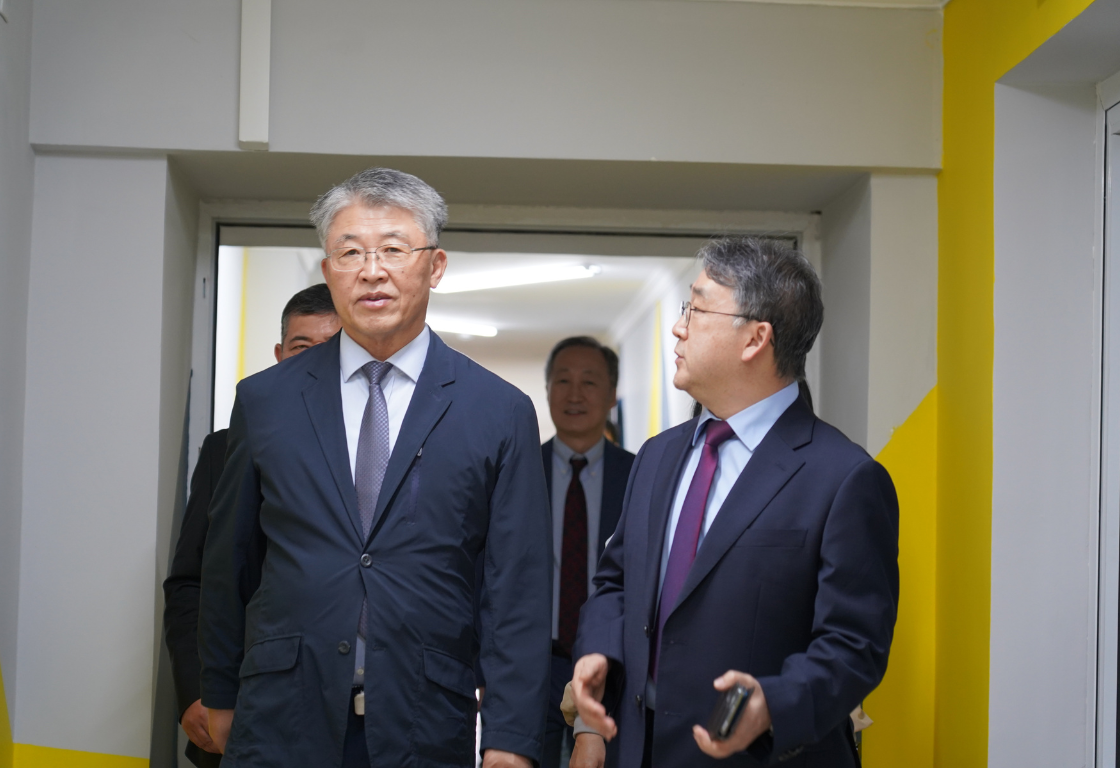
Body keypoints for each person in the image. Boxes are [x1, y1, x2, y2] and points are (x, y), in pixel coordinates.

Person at [198, 168, 552, 768]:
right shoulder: (266, 401)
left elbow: (517, 589)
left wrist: (511, 737)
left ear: (435, 266)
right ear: (327, 270)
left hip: (425, 721)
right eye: (350, 252)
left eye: (393, 249)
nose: (371, 270)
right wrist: (220, 692)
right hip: (280, 715)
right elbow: (230, 560)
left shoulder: (498, 411)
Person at [569, 237, 899, 768]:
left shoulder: (845, 478)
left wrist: (774, 704)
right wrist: (598, 652)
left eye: (696, 310)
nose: (678, 328)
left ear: (755, 339)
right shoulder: (657, 456)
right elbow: (615, 584)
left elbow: (853, 647)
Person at [163, 283, 340, 768]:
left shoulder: (376, 454)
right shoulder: (224, 448)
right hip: (234, 703)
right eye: (302, 347)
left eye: (331, 349)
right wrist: (196, 692)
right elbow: (192, 582)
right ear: (279, 356)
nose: (314, 363)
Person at [540, 337, 635, 768]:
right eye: (563, 381)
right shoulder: (517, 469)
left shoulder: (640, 475)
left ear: (612, 394)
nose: (574, 394)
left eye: (590, 382)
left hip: (615, 669)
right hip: (535, 666)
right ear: (548, 390)